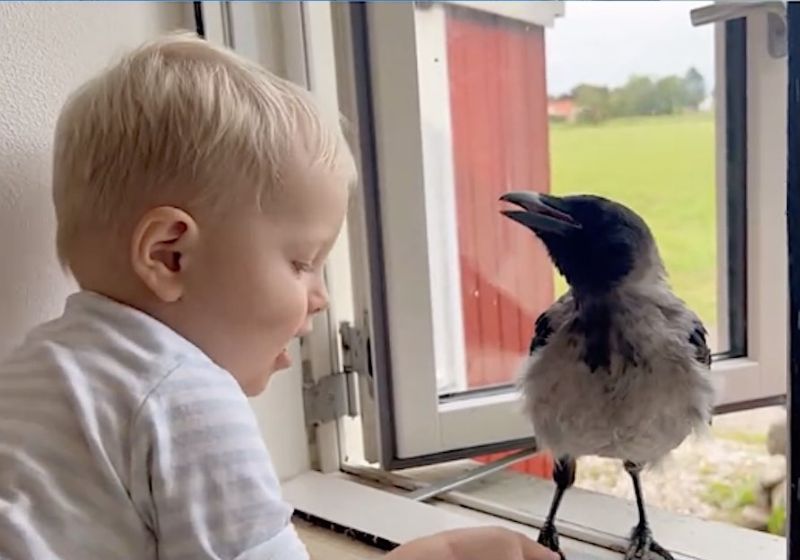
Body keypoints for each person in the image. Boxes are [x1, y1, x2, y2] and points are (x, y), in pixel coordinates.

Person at [0, 32, 559, 560]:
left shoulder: (36, 368)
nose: (320, 298)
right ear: (171, 255)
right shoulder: (186, 398)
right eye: (301, 263)